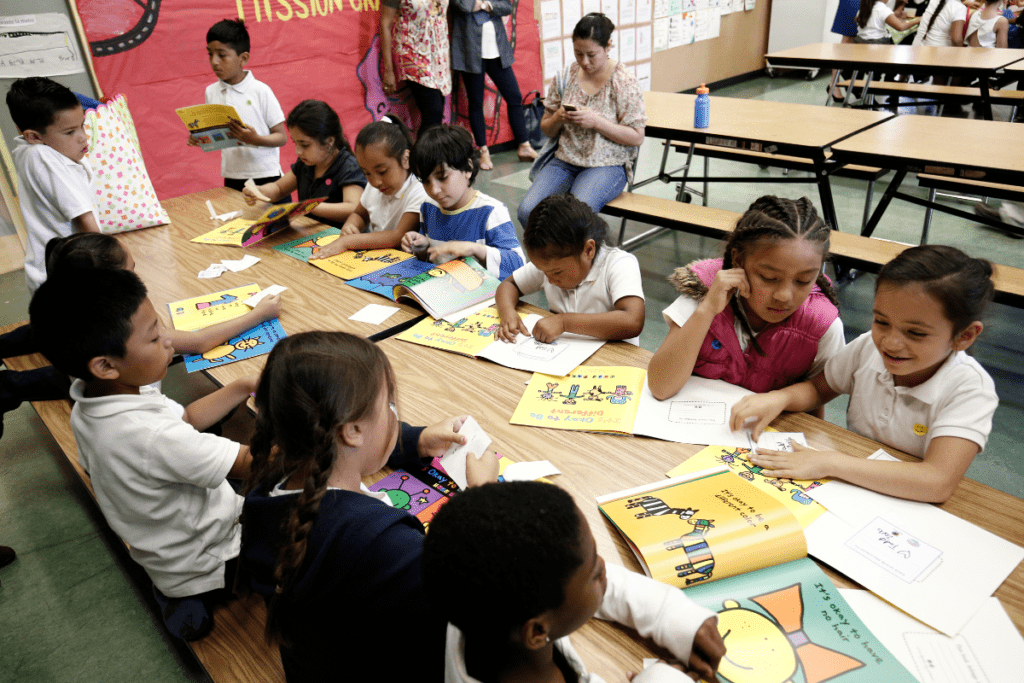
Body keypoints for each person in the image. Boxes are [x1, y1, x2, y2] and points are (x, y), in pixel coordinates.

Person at [239, 331, 498, 681]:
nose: (395, 415)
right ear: (351, 430)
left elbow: (346, 447)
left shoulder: (266, 493)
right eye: (390, 405)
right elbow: (472, 597)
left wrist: (413, 439)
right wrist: (485, 497)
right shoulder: (381, 544)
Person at [29, 268, 257, 641]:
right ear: (105, 365)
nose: (169, 340)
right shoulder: (149, 435)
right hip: (211, 555)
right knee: (300, 523)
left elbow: (186, 418)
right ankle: (194, 594)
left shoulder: (96, 399)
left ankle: (175, 590)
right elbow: (253, 465)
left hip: (162, 547)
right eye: (154, 337)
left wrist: (242, 385)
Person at [731, 245, 998, 504]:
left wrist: (829, 462)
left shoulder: (971, 388)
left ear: (965, 336)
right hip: (854, 482)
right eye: (881, 321)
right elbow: (817, 389)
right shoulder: (869, 346)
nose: (890, 343)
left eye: (915, 333)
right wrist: (780, 399)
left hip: (904, 500)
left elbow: (936, 482)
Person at [422, 482, 726, 683]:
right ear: (538, 631)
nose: (606, 568)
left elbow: (570, 582)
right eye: (596, 571)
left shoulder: (481, 609)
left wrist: (665, 613)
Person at [647, 196, 843, 401]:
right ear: (739, 261)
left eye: (803, 280)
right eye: (769, 278)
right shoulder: (705, 290)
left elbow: (814, 407)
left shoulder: (823, 326)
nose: (784, 295)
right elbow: (661, 386)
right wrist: (706, 311)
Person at [44, 233, 283, 356]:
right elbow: (199, 342)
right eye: (131, 272)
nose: (140, 279)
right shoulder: (120, 327)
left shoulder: (74, 305)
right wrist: (260, 314)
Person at [517, 13, 646, 227]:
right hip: (565, 161)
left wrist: (596, 122)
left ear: (608, 46)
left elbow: (636, 137)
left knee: (574, 218)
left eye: (591, 54)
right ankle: (553, 258)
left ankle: (572, 258)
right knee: (528, 212)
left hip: (607, 165)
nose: (584, 62)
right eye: (578, 53)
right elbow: (547, 130)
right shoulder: (566, 76)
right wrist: (559, 116)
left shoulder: (623, 80)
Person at [495, 194, 645, 345]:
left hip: (615, 358)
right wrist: (507, 312)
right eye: (544, 272)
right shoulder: (550, 265)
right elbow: (509, 285)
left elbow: (632, 321)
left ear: (588, 250)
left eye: (557, 273)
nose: (550, 280)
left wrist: (564, 322)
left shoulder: (619, 264)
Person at [6, 76, 97, 296]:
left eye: (82, 125)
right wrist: (118, 267)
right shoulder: (44, 158)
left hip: (53, 275)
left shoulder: (29, 149)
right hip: (65, 280)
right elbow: (85, 221)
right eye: (69, 132)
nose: (83, 137)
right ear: (34, 136)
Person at [402, 124, 524, 280]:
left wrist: (475, 249)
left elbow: (519, 266)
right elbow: (429, 259)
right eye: (426, 181)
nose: (434, 190)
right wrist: (421, 247)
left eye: (442, 178)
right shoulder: (428, 206)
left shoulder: (491, 211)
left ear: (467, 168)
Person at [310, 116, 427, 259]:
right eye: (367, 173)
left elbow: (397, 236)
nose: (376, 182)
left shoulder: (420, 189)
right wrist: (351, 226)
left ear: (405, 159)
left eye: (382, 171)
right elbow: (360, 214)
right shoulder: (376, 187)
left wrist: (347, 241)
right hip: (374, 259)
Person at [194, 19, 287, 196]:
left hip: (266, 175)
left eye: (222, 55)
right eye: (210, 54)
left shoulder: (260, 91)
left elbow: (281, 137)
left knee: (273, 222)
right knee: (239, 222)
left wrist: (256, 140)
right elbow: (217, 135)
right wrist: (200, 138)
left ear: (243, 58)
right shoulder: (211, 92)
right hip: (232, 175)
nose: (214, 62)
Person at [242, 100, 366, 228]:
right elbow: (279, 189)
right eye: (294, 143)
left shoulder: (349, 167)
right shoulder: (305, 164)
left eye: (305, 145)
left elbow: (352, 208)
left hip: (340, 239)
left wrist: (307, 207)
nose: (298, 151)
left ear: (329, 141)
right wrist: (259, 191)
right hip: (312, 235)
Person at [450, 0, 537, 169]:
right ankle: (483, 151)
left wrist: (483, 4)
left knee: (514, 96)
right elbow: (464, 5)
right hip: (470, 50)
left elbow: (506, 7)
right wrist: (489, 4)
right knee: (476, 102)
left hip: (497, 49)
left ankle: (524, 145)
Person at [379, 0, 451, 134]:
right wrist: (388, 70)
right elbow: (385, 24)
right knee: (433, 114)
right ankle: (421, 155)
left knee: (436, 113)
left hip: (439, 57)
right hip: (412, 54)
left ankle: (429, 153)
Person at [855, 0, 921, 43]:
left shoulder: (865, 7)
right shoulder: (882, 8)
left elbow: (857, 19)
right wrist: (919, 19)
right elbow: (901, 27)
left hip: (859, 40)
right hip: (877, 42)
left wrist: (892, 14)